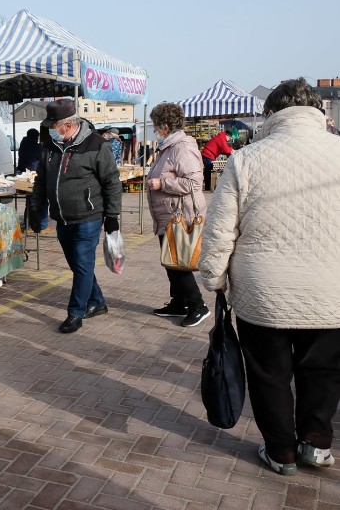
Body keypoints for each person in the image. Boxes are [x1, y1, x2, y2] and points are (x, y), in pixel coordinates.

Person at [199, 77, 340, 476]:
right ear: (318, 111)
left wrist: (213, 276)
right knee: (325, 371)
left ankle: (281, 452)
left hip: (263, 289)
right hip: (333, 289)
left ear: (271, 114)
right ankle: (316, 442)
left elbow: (220, 227)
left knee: (269, 374)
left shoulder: (247, 158)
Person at [29, 98, 122, 334]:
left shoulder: (96, 145)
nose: (51, 130)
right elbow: (41, 180)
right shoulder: (50, 146)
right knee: (78, 265)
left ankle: (75, 312)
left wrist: (112, 216)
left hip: (88, 217)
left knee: (82, 262)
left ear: (68, 125)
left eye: (54, 125)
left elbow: (112, 181)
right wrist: (35, 207)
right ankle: (97, 301)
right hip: (62, 218)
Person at [145, 102, 209, 328]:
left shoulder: (181, 147)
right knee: (170, 261)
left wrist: (162, 183)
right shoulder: (169, 147)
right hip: (169, 214)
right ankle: (179, 302)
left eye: (155, 126)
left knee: (178, 263)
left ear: (164, 126)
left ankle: (198, 306)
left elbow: (194, 183)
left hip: (181, 215)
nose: (154, 130)